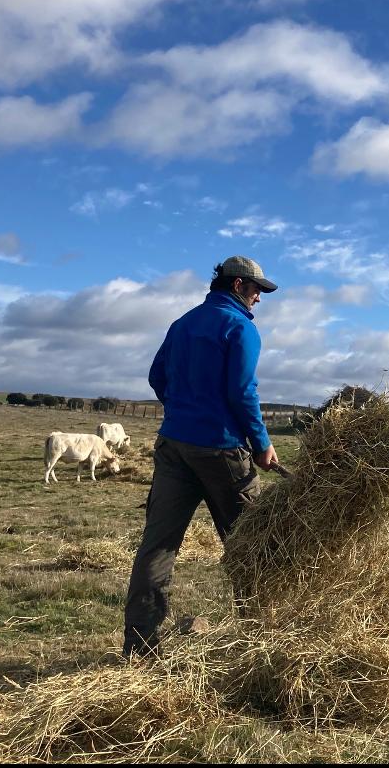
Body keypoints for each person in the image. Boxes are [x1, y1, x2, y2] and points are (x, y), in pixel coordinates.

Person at [123, 255, 279, 658]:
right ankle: (259, 641)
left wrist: (182, 411)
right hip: (223, 450)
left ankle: (141, 648)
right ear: (239, 285)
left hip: (174, 445)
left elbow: (157, 377)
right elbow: (243, 392)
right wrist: (261, 443)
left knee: (158, 545)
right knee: (250, 545)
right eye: (258, 290)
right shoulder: (239, 327)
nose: (260, 298)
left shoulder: (183, 323)